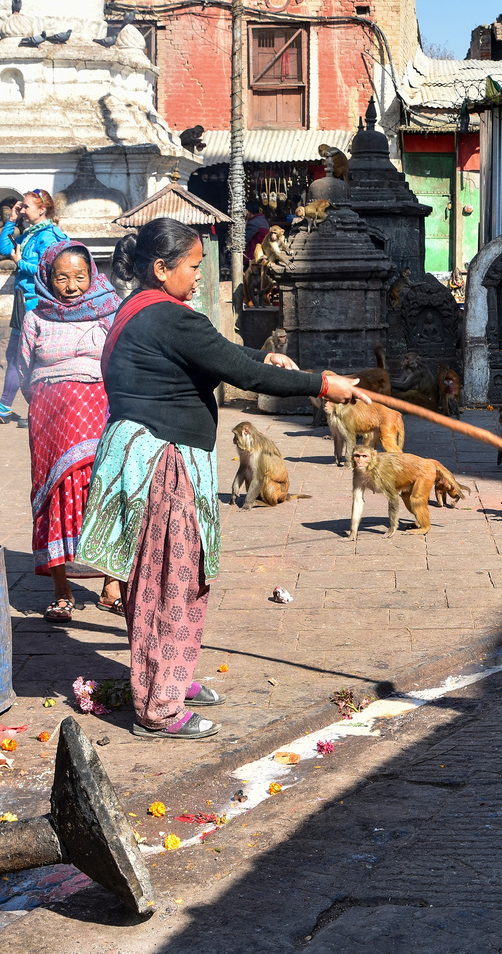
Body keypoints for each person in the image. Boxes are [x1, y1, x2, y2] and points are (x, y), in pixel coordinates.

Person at [78, 218, 367, 740]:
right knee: (169, 580)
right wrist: (323, 385)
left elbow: (224, 358)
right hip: (161, 463)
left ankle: (170, 674)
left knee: (167, 575)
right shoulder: (168, 317)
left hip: (146, 454)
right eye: (191, 267)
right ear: (161, 268)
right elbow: (242, 372)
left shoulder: (140, 308)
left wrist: (265, 355)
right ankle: (158, 706)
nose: (197, 276)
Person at [18, 241, 123, 622]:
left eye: (80, 276)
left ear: (92, 275)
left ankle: (111, 589)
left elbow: (122, 362)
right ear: (48, 278)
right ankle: (62, 591)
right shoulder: (35, 319)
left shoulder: (109, 314)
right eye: (62, 277)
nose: (72, 285)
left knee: (104, 492)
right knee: (56, 497)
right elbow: (25, 372)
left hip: (101, 417)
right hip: (50, 422)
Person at [0, 190, 65, 424]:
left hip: (35, 302)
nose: (22, 211)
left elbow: (47, 270)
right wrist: (11, 220)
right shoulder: (32, 233)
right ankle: (8, 407)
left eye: (26, 207)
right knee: (16, 354)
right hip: (23, 300)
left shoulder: (48, 237)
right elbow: (4, 248)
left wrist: (20, 262)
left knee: (28, 357)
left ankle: (38, 408)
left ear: (42, 210)